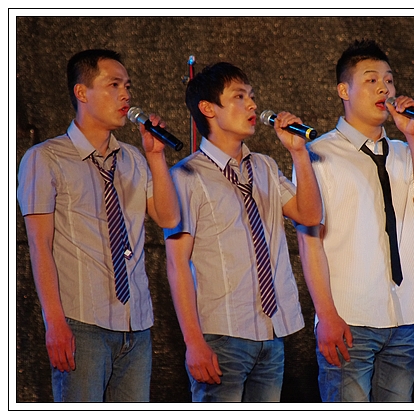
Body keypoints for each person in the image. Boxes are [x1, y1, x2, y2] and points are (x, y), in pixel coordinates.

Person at [17, 49, 180, 402]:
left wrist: (155, 156)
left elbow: (169, 218)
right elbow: (39, 247)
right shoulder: (45, 158)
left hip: (136, 325)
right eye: (114, 85)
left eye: (127, 86)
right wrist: (54, 323)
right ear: (82, 92)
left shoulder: (133, 158)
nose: (125, 95)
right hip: (82, 323)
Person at [295, 39, 414, 402]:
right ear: (344, 90)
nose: (384, 88)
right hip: (349, 318)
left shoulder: (404, 151)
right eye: (372, 79)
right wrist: (326, 315)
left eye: (389, 80)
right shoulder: (318, 154)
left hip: (402, 314)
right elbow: (309, 242)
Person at [163, 62, 322, 402]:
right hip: (222, 335)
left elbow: (310, 215)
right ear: (208, 109)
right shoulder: (186, 176)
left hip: (272, 331)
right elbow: (177, 264)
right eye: (239, 96)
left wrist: (298, 153)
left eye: (251, 96)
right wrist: (194, 342)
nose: (252, 104)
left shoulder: (264, 166)